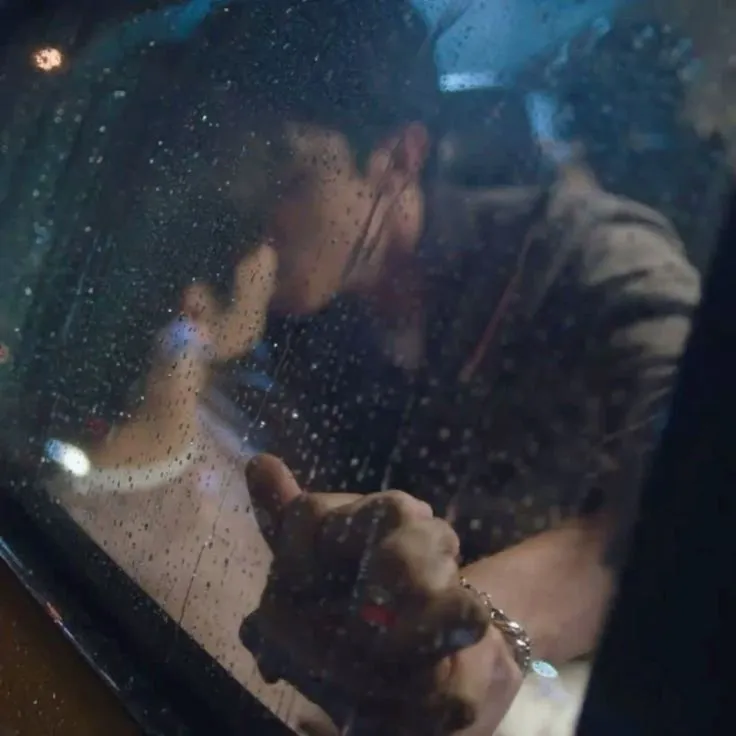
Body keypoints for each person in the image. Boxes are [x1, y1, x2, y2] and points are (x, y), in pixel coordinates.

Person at [44, 1, 701, 734]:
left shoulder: (579, 256)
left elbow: (692, 486)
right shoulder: (288, 320)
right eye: (233, 167)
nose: (250, 209)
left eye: (284, 171)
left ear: (399, 159)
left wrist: (465, 620)